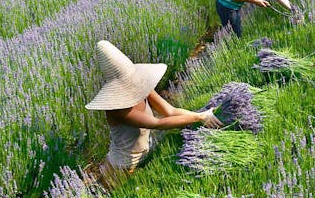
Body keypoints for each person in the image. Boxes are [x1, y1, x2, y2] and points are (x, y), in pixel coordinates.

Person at [85, 40, 222, 188]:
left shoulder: (142, 88)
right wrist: (199, 117)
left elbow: (170, 111)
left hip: (145, 158)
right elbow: (158, 124)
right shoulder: (117, 109)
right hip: (120, 168)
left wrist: (202, 114)